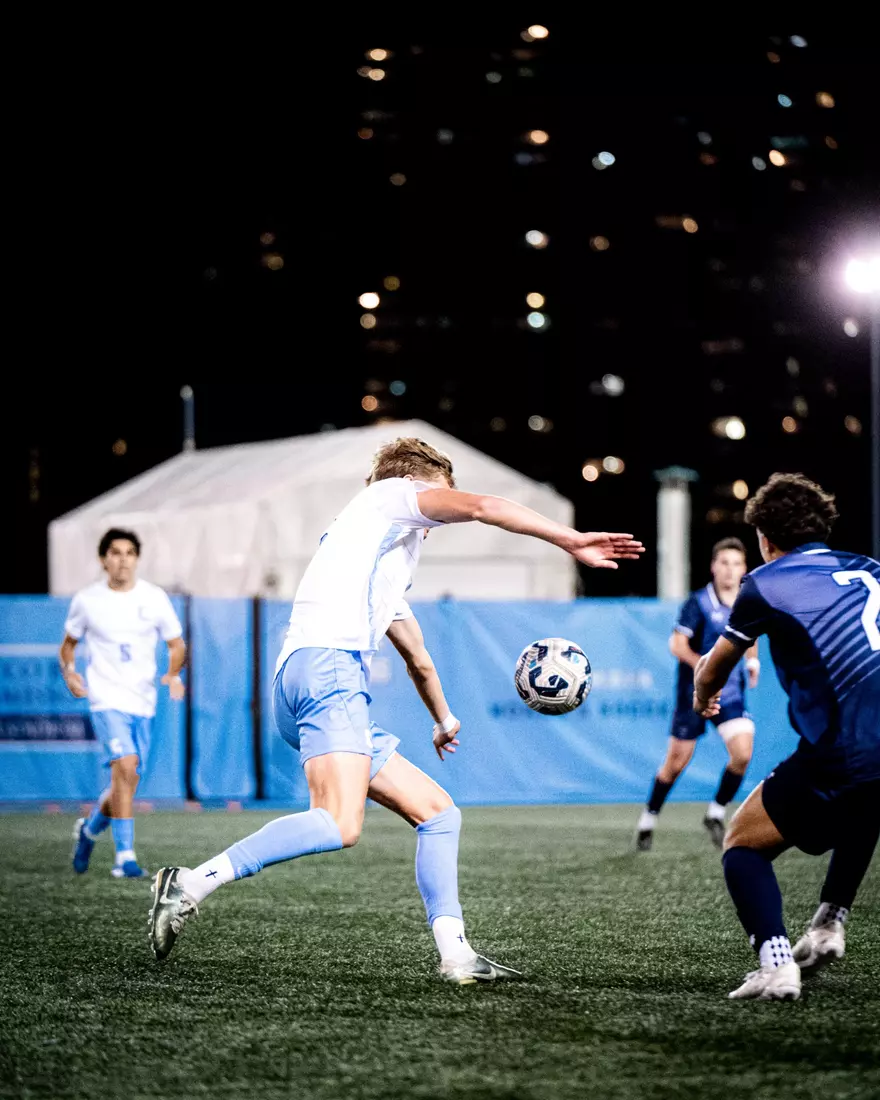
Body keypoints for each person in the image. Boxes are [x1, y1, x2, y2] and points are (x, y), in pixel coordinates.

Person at [148, 436, 645, 981]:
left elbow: (418, 658)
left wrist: (444, 719)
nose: (437, 518)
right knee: (339, 823)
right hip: (330, 670)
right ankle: (190, 883)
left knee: (438, 814)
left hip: (301, 678)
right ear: (415, 482)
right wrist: (569, 539)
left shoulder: (374, 557)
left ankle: (457, 956)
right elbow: (484, 506)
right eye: (439, 495)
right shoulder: (389, 496)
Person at [693, 473, 880, 1001]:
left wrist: (702, 694)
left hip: (846, 745)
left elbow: (715, 667)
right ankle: (828, 923)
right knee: (866, 801)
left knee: (741, 844)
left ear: (764, 538)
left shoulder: (765, 583)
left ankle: (776, 965)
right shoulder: (870, 569)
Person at [63, 528, 186, 879]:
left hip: (143, 701)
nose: (123, 559)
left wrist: (173, 673)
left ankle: (88, 831)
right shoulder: (87, 600)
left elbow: (176, 644)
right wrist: (70, 672)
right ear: (104, 559)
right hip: (106, 699)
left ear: (137, 559)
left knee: (126, 781)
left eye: (130, 553)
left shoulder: (153, 597)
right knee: (126, 766)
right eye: (115, 553)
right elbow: (68, 646)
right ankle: (125, 857)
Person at [635, 538, 760, 850]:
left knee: (742, 754)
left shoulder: (747, 601)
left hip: (729, 694)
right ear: (713, 567)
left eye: (736, 564)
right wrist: (705, 669)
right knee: (676, 763)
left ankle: (715, 813)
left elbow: (750, 635)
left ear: (744, 569)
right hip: (693, 693)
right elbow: (677, 645)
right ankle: (649, 818)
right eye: (724, 563)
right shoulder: (699, 602)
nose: (730, 570)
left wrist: (752, 662)